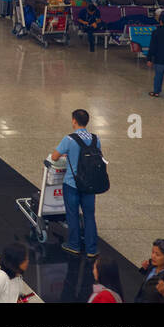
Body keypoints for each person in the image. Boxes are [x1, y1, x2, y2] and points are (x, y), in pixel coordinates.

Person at [50, 108, 103, 258]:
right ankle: (92, 248)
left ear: (74, 121)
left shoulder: (70, 139)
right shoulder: (95, 138)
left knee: (72, 214)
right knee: (89, 215)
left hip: (72, 184)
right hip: (90, 184)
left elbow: (54, 156)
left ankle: (74, 245)